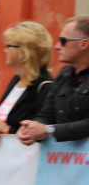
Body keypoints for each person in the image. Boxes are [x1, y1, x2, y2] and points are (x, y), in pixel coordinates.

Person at [18, 16, 89, 145]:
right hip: (64, 160)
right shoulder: (64, 74)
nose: (57, 46)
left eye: (63, 41)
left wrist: (49, 130)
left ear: (83, 44)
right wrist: (30, 128)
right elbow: (47, 113)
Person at [0, 22, 54, 146]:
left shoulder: (45, 86)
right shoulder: (17, 79)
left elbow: (39, 135)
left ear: (25, 52)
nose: (5, 50)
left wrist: (7, 129)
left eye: (9, 45)